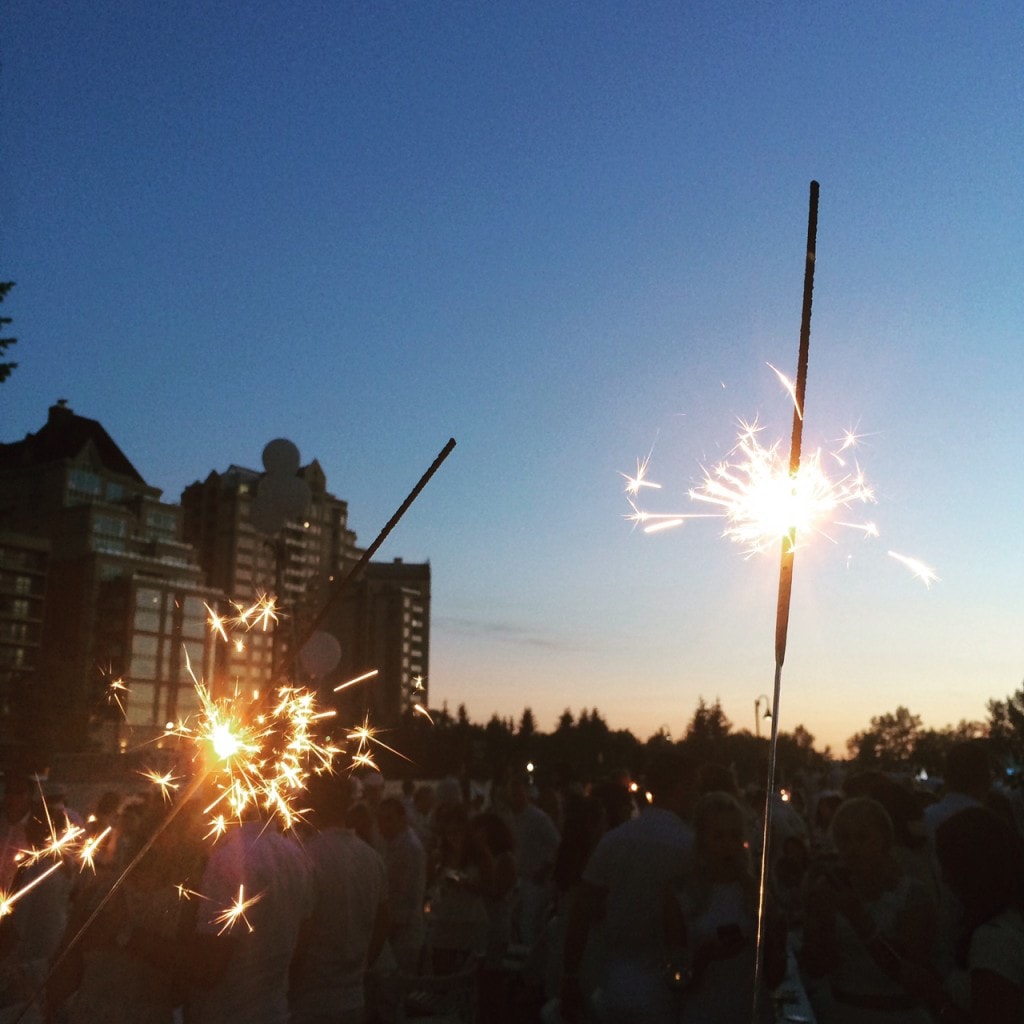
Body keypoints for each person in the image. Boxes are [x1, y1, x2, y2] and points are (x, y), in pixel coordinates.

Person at [560, 750, 698, 1024]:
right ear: (682, 788)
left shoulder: (615, 840)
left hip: (614, 985)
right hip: (668, 988)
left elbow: (581, 912)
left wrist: (570, 975)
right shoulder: (691, 846)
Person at [801, 796, 937, 1024]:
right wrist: (818, 917)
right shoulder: (831, 892)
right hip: (842, 1012)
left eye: (862, 837)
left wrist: (857, 916)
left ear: (884, 840)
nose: (852, 847)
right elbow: (816, 968)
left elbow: (911, 973)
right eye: (844, 839)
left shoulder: (912, 896)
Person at [669, 790, 786, 1023]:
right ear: (702, 840)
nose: (727, 846)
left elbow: (774, 978)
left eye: (734, 836)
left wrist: (776, 939)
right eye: (718, 837)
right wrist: (705, 958)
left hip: (751, 1011)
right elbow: (674, 979)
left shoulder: (756, 895)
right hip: (703, 1013)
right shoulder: (683, 897)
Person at [291, 773, 388, 1024]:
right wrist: (360, 966)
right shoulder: (372, 858)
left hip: (309, 1002)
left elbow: (303, 931)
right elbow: (382, 924)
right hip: (354, 999)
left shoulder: (307, 857)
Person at [376, 796, 426, 974]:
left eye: (389, 819)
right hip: (396, 930)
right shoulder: (393, 844)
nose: (384, 825)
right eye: (381, 820)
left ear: (402, 818)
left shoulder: (408, 848)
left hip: (403, 933)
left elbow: (403, 896)